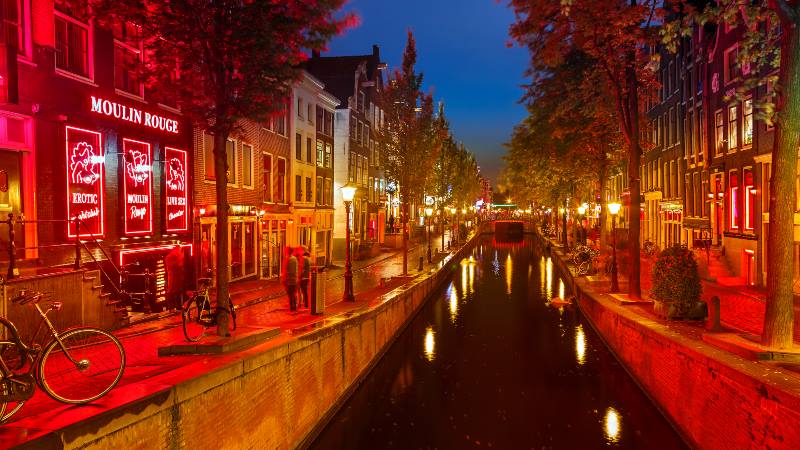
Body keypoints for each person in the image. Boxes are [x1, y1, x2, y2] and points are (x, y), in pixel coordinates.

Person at [164, 245, 185, 311]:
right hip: (173, 277)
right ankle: (172, 307)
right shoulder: (170, 257)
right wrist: (180, 258)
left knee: (177, 292)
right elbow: (177, 266)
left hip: (176, 277)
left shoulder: (174, 257)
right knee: (172, 291)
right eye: (179, 249)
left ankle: (177, 306)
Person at [283, 246, 298, 311]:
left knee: (290, 294)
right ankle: (294, 306)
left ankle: (292, 307)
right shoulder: (295, 259)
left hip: (290, 279)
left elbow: (288, 270)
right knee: (293, 293)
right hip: (294, 278)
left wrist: (285, 279)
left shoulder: (289, 259)